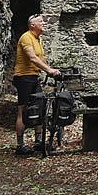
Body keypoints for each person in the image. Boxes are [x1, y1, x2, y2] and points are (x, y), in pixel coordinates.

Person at [13, 14, 60, 156]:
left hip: (33, 77)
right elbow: (32, 57)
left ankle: (38, 141)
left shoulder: (38, 39)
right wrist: (49, 70)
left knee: (40, 106)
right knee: (23, 109)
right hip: (23, 77)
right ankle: (20, 145)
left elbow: (41, 58)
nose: (43, 23)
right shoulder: (26, 37)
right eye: (40, 21)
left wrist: (49, 70)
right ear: (32, 25)